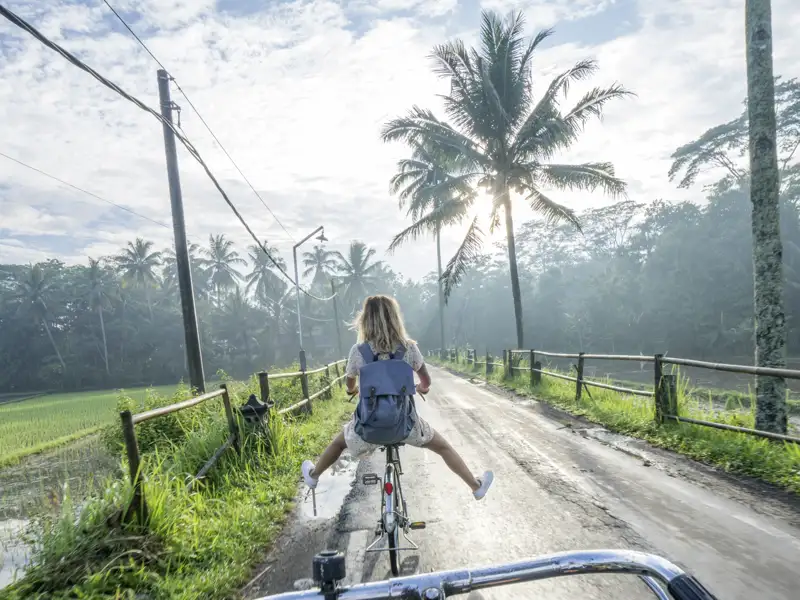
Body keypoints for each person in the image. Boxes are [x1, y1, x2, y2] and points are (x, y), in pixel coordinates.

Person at [301, 294, 494, 500]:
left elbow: (349, 384)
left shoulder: (358, 351)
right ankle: (475, 486)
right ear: (394, 317)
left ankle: (314, 476)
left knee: (338, 444)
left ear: (365, 320)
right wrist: (421, 388)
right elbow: (426, 382)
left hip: (367, 429)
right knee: (443, 447)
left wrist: (353, 390)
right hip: (406, 427)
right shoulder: (408, 348)